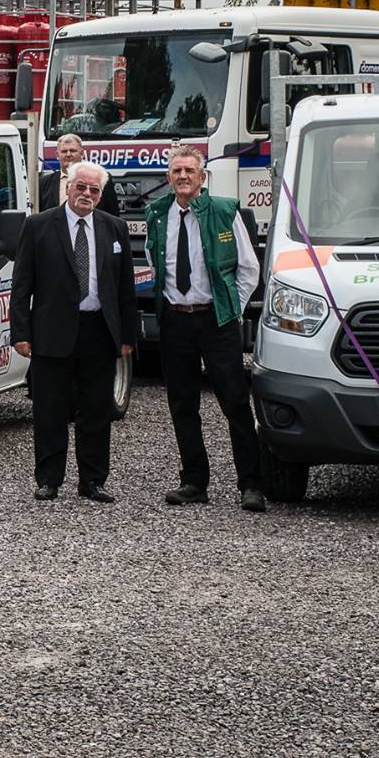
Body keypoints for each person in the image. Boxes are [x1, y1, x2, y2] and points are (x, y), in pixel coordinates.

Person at [146, 145, 265, 512]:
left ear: (202, 176)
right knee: (183, 404)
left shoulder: (224, 211)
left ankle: (251, 485)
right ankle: (194, 481)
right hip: (175, 320)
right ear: (169, 177)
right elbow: (156, 264)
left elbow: (248, 269)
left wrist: (230, 309)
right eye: (176, 171)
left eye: (189, 171)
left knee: (234, 403)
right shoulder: (157, 213)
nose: (183, 177)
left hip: (217, 321)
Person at [10, 159, 138, 502]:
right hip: (51, 331)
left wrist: (127, 336)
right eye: (81, 186)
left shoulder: (115, 229)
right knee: (50, 409)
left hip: (99, 330)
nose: (86, 194)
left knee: (97, 410)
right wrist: (20, 333)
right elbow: (22, 285)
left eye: (94, 189)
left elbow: (125, 288)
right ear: (68, 187)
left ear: (101, 194)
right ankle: (49, 479)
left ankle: (93, 481)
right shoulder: (38, 226)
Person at [38, 132, 87, 211]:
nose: (68, 154)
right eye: (64, 151)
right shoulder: (43, 184)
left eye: (73, 151)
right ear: (57, 154)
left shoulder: (99, 180)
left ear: (82, 153)